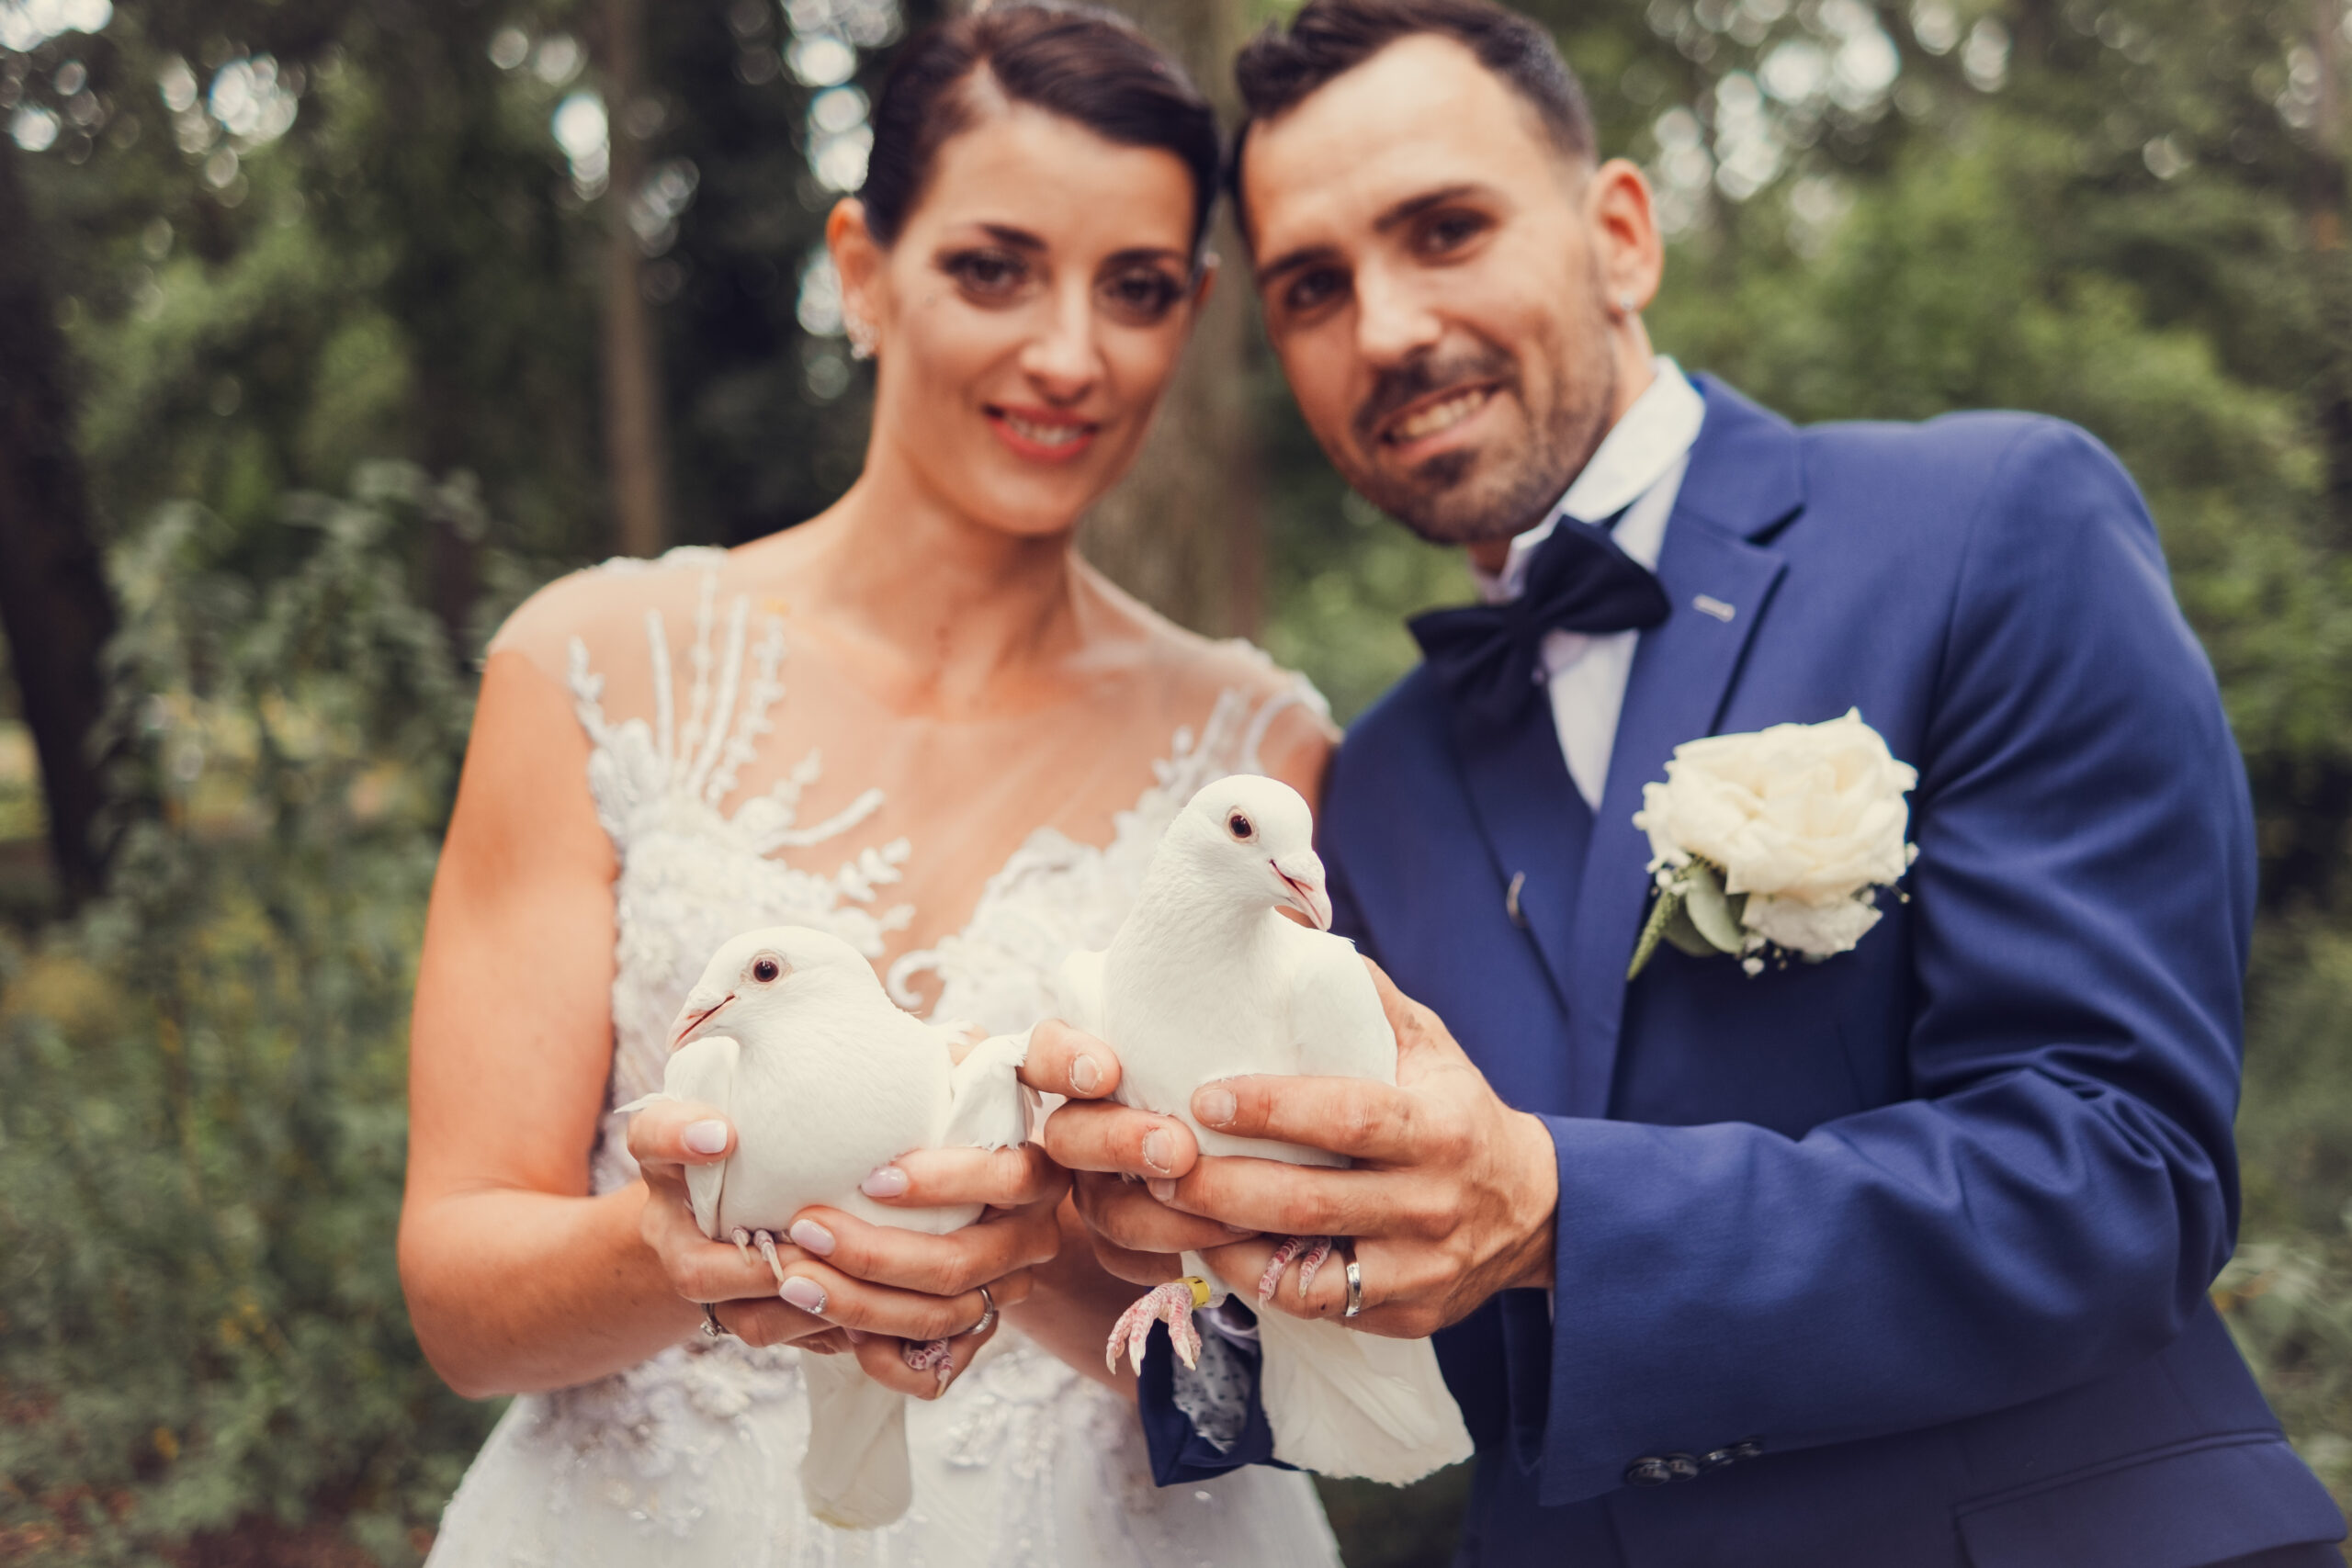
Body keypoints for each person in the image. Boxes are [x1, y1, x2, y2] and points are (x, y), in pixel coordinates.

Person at [1044, 1, 2352, 1562]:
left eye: (1446, 230)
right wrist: (1092, 1256)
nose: (1383, 329)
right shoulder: (1366, 785)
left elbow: (2123, 1174)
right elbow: (1409, 1350)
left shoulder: (1993, 525)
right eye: (1313, 288)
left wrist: (1556, 1209)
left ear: (1622, 235)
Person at [396, 6, 1342, 1562]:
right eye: (994, 268)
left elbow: (1267, 1372)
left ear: (1193, 312)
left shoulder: (1258, 764)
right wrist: (684, 1245)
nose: (1069, 354)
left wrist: (1033, 1257)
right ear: (861, 267)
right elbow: (460, 1305)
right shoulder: (590, 670)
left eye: (1135, 289)